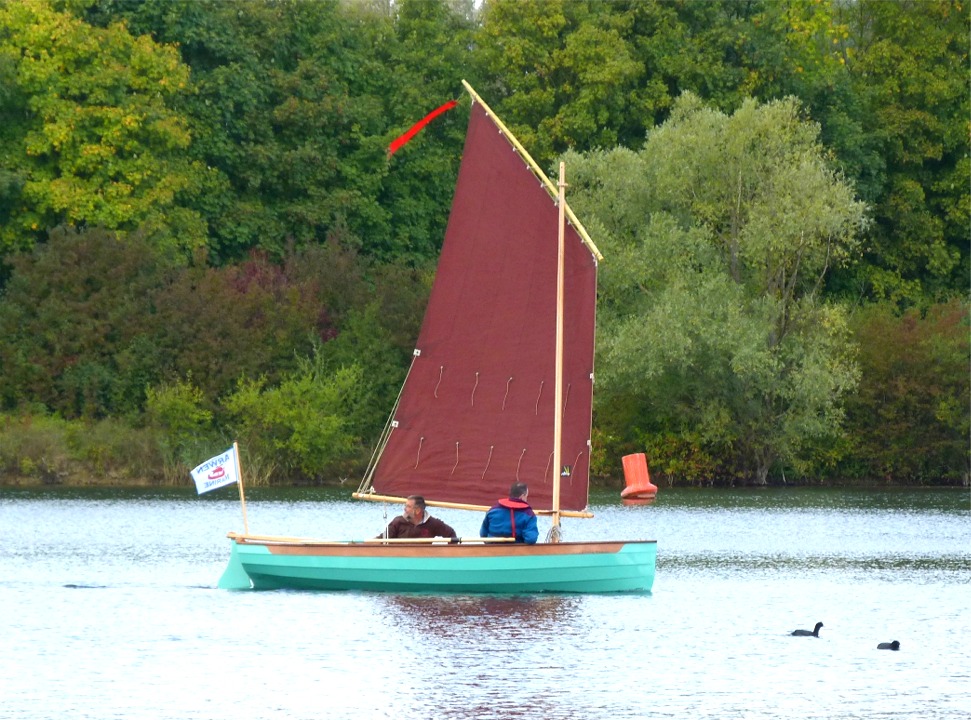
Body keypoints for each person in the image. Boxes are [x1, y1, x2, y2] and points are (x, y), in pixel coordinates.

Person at [377, 495, 458, 541]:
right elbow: (382, 539)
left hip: (423, 561)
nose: (405, 509)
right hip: (399, 559)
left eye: (408, 506)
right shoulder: (398, 522)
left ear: (418, 510)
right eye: (405, 506)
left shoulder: (432, 523)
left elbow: (451, 534)